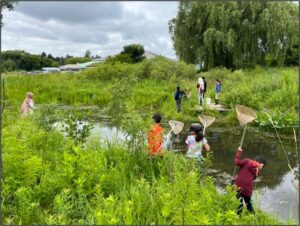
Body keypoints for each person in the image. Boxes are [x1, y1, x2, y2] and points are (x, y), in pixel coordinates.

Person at [234, 147, 266, 215]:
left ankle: (237, 215)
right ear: (262, 164)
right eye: (262, 167)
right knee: (248, 204)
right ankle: (253, 217)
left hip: (237, 186)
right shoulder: (256, 171)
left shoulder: (247, 161)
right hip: (247, 190)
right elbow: (252, 165)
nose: (261, 168)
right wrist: (257, 166)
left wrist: (238, 152)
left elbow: (237, 162)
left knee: (239, 202)